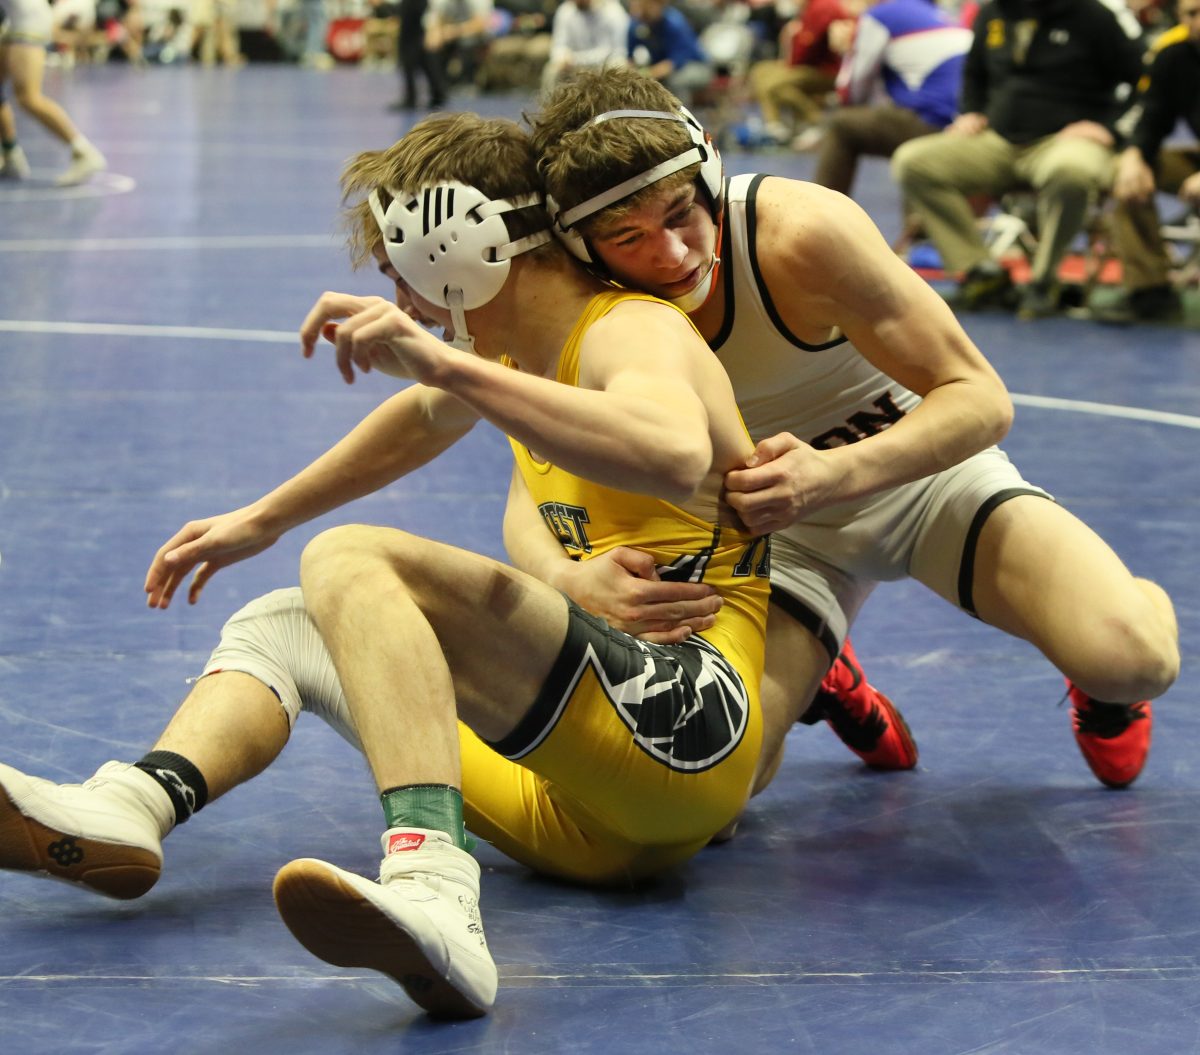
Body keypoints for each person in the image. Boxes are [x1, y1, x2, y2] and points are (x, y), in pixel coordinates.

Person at [0, 109, 780, 1019]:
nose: (397, 293)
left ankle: (435, 888)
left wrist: (447, 369)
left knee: (353, 557)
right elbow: (418, 420)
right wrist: (260, 519)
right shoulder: (507, 346)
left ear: (459, 247)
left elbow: (674, 449)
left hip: (688, 731)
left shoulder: (626, 329)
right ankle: (134, 805)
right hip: (579, 807)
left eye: (396, 265)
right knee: (290, 619)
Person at [524, 65, 1178, 795]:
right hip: (772, 537)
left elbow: (980, 397)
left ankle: (1106, 660)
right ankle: (826, 673)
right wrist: (561, 574)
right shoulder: (578, 308)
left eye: (681, 213)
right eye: (628, 236)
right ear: (582, 247)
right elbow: (529, 476)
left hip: (921, 480)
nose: (672, 253)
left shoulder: (798, 234)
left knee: (1132, 655)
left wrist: (832, 474)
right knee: (713, 793)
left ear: (708, 171)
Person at [891, 0, 1145, 319]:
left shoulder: (1093, 16)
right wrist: (970, 112)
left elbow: (1144, 80)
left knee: (1071, 171)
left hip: (1064, 142)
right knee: (913, 161)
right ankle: (979, 270)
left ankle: (1045, 280)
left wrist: (1111, 129)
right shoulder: (993, 13)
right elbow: (974, 74)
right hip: (998, 141)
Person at [1093, 0, 1200, 326]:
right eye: (1192, 14)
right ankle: (1150, 293)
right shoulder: (1173, 55)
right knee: (1131, 176)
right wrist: (1133, 155)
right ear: (1179, 18)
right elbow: (1151, 115)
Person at [812, 0, 972, 196]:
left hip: (936, 122)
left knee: (842, 124)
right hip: (968, 122)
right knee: (901, 120)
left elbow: (852, 93)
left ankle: (821, 213)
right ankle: (918, 222)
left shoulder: (878, 16)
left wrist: (847, 52)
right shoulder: (937, 12)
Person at [0, 0, 106, 184]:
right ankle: (10, 154)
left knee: (28, 97)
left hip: (27, 21)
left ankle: (83, 151)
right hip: (16, 20)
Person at [747, 0, 851, 146]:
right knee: (759, 71)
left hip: (826, 70)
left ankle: (816, 121)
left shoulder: (823, 7)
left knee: (774, 85)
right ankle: (775, 125)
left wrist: (793, 38)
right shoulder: (809, 7)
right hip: (808, 66)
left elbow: (807, 47)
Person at [626, 0, 713, 107]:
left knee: (675, 81)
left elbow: (673, 64)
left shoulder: (674, 23)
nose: (639, 10)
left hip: (696, 66)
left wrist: (647, 74)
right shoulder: (637, 24)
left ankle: (679, 116)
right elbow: (630, 59)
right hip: (660, 68)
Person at [540, 0, 628, 95]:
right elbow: (558, 44)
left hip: (603, 64)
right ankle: (550, 108)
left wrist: (575, 60)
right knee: (551, 70)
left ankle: (615, 107)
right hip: (573, 65)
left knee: (620, 66)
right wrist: (562, 58)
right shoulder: (565, 10)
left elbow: (610, 51)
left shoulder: (613, 12)